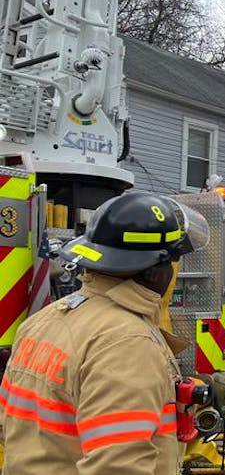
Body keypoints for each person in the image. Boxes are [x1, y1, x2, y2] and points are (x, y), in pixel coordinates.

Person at [0, 192, 206, 475]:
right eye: (171, 264)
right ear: (152, 273)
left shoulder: (44, 320)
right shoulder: (127, 343)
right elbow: (117, 467)